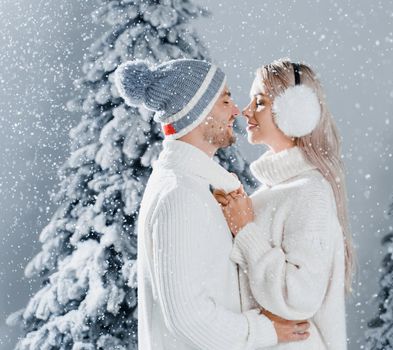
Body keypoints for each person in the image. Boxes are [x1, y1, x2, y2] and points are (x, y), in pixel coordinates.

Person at [115, 58, 310, 350]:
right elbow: (187, 319)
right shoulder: (179, 195)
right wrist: (264, 330)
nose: (236, 111)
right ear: (196, 113)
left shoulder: (195, 187)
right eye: (225, 101)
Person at [213, 58, 355, 350]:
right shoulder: (277, 191)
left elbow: (298, 296)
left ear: (295, 113)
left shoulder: (311, 191)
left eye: (260, 102)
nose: (246, 111)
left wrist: (246, 231)